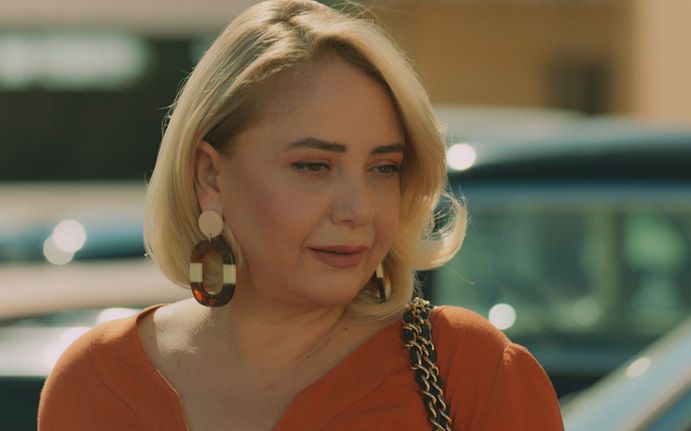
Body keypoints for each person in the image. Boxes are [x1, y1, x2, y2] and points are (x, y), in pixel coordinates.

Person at [38, 1, 564, 430]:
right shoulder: (96, 382)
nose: (358, 209)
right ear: (210, 177)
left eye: (384, 168)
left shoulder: (471, 373)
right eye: (314, 166)